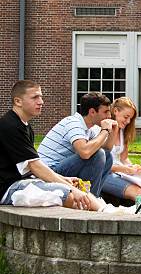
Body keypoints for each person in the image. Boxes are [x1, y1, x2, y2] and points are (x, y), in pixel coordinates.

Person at [0, 80, 102, 211]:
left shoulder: (24, 126)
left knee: (73, 190)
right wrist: (68, 187)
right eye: (35, 97)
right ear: (18, 101)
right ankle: (106, 215)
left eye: (41, 97)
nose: (41, 102)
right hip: (7, 189)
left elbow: (27, 167)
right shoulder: (10, 126)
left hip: (22, 182)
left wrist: (63, 179)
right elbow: (34, 166)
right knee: (69, 195)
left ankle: (107, 212)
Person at [38, 92, 116, 197]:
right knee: (98, 154)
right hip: (48, 171)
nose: (109, 116)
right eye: (106, 112)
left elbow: (107, 149)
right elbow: (85, 152)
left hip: (61, 168)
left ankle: (93, 197)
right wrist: (105, 130)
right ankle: (90, 200)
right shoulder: (73, 123)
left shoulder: (89, 129)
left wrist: (113, 131)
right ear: (92, 112)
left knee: (107, 155)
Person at [101, 97, 141, 202]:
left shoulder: (123, 132)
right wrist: (126, 169)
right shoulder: (103, 129)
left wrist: (133, 167)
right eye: (126, 117)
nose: (128, 121)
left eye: (130, 118)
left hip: (120, 172)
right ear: (116, 111)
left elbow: (124, 158)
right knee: (139, 192)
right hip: (105, 174)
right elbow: (101, 165)